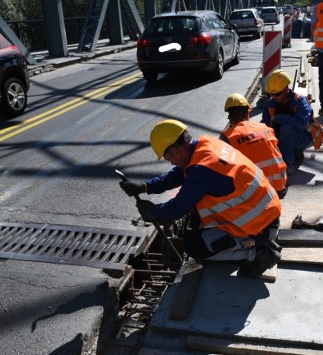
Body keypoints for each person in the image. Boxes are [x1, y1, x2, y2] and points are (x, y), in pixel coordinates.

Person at [120, 119, 282, 278]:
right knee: (196, 223)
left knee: (195, 247)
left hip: (260, 226)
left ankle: (257, 253)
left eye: (168, 158)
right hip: (265, 213)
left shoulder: (202, 170)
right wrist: (145, 187)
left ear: (176, 151)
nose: (170, 163)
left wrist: (153, 212)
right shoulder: (206, 145)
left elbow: (176, 209)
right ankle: (256, 242)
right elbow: (179, 174)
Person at [220, 93, 288, 199]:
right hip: (279, 187)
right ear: (248, 113)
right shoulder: (265, 128)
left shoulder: (228, 137)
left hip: (256, 193)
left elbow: (222, 167)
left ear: (230, 118)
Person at [261, 69, 323, 176]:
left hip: (303, 136)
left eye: (277, 94)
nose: (274, 97)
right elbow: (265, 125)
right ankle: (292, 153)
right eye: (271, 94)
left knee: (286, 129)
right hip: (284, 137)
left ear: (286, 88)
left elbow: (302, 124)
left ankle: (288, 165)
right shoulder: (271, 105)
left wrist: (279, 118)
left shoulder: (299, 101)